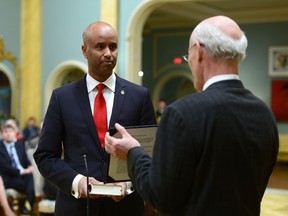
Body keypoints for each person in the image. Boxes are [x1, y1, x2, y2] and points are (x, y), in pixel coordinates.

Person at [105, 15, 279, 216]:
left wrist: (133, 152)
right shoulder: (264, 114)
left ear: (199, 52)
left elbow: (160, 197)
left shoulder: (181, 114)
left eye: (188, 56)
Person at [33, 21, 156, 216]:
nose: (108, 53)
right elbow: (45, 156)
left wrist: (129, 184)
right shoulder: (62, 98)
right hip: (76, 208)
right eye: (100, 46)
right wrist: (77, 181)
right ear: (85, 50)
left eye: (113, 47)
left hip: (125, 208)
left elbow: (150, 155)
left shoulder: (138, 96)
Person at [0, 124, 36, 215]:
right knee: (28, 183)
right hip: (8, 177)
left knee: (30, 175)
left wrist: (29, 166)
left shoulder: (19, 145)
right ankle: (29, 205)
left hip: (21, 176)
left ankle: (27, 205)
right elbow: (5, 167)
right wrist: (23, 171)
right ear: (2, 134)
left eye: (10, 131)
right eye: (6, 132)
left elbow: (25, 160)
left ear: (15, 133)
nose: (8, 134)